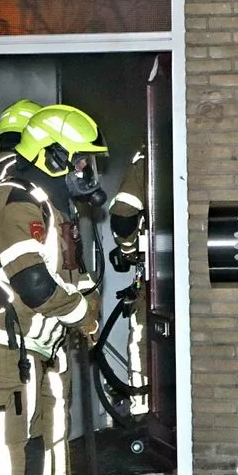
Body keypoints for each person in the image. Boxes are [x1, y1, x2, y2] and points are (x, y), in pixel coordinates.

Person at [0, 104, 107, 475]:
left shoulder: (51, 206)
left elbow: (67, 272)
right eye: (82, 162)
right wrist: (81, 314)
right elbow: (33, 283)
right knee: (3, 458)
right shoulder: (16, 202)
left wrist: (89, 304)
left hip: (22, 349)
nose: (88, 172)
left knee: (24, 449)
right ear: (54, 157)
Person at [108, 145, 149, 416]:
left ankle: (144, 412)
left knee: (142, 344)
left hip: (157, 279)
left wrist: (131, 252)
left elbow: (123, 214)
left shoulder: (146, 158)